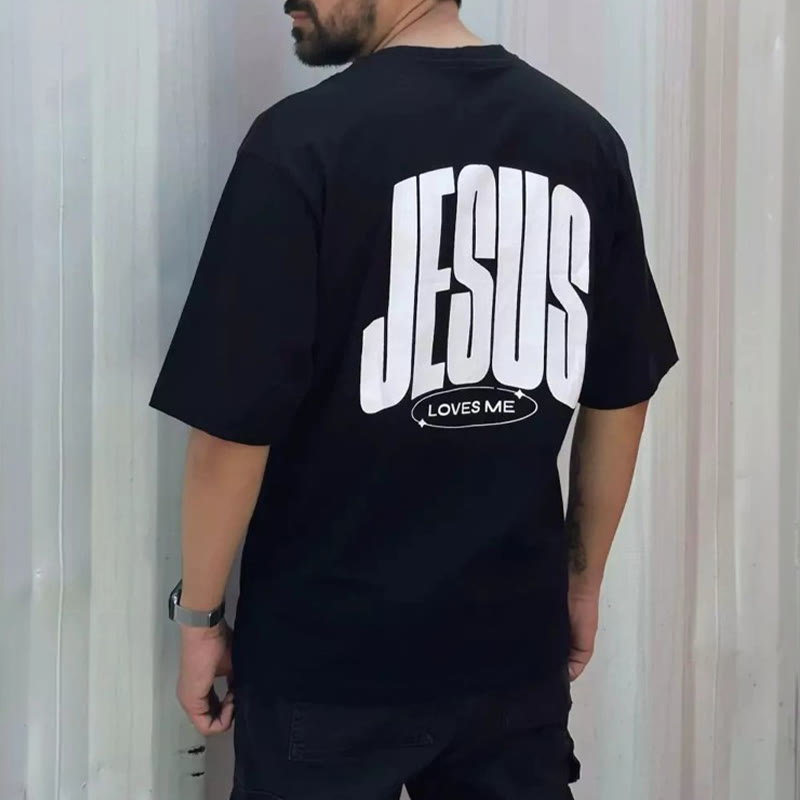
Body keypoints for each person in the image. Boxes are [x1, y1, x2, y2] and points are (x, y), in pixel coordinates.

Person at [149, 0, 679, 797]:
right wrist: (580, 583)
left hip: (327, 667)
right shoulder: (583, 141)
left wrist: (199, 621)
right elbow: (621, 392)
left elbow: (232, 429)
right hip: (511, 658)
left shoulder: (301, 143)